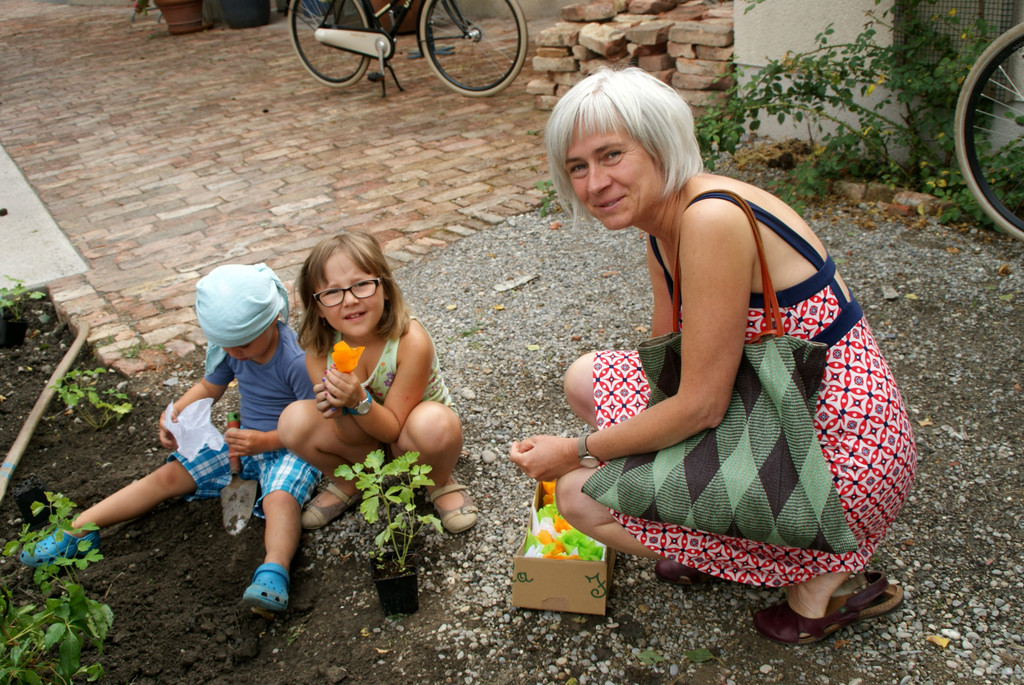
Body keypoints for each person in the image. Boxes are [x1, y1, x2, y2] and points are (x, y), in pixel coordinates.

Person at [509, 67, 917, 644]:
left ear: (658, 145)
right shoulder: (662, 224)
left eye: (611, 155)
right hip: (772, 401)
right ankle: (711, 543)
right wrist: (644, 474)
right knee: (585, 381)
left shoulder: (710, 218)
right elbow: (666, 372)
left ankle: (826, 579)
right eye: (578, 166)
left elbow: (699, 406)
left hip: (837, 455)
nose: (595, 182)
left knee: (579, 496)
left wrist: (578, 451)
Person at [21, 264, 320, 614]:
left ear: (272, 320)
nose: (235, 352)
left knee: (279, 500)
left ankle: (274, 570)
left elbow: (313, 423)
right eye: (227, 345)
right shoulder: (234, 349)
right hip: (243, 445)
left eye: (243, 344)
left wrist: (266, 442)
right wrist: (174, 413)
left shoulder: (297, 360)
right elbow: (211, 386)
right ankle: (80, 528)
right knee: (168, 476)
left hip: (289, 449)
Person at [277, 232, 477, 534]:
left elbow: (394, 429)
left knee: (436, 424)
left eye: (361, 284)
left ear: (384, 287)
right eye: (332, 293)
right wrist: (339, 411)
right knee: (292, 421)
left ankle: (438, 480)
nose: (350, 300)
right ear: (317, 306)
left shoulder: (411, 342)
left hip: (410, 435)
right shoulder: (320, 352)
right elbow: (354, 440)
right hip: (364, 440)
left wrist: (358, 400)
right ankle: (352, 481)